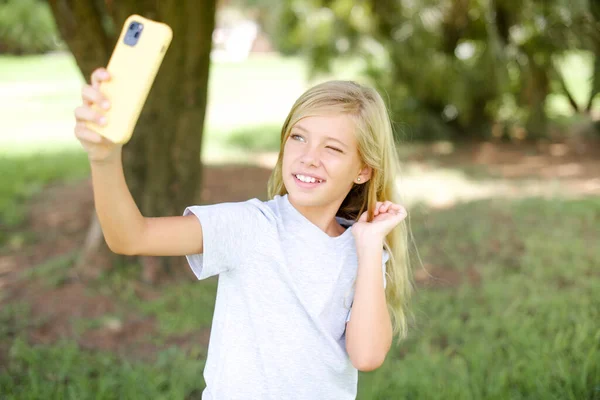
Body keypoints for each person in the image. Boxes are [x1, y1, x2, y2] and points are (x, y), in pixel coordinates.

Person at [73, 67, 413, 400]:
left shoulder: (361, 248)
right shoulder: (250, 225)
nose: (309, 157)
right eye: (299, 137)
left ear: (364, 170)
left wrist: (369, 249)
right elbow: (131, 237)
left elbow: (367, 357)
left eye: (333, 148)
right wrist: (104, 158)